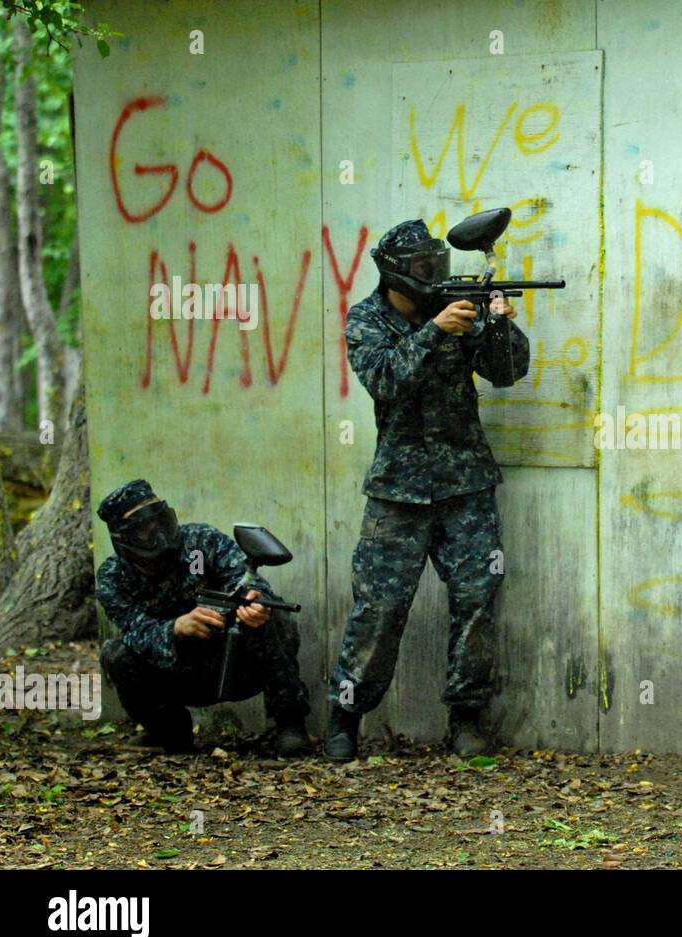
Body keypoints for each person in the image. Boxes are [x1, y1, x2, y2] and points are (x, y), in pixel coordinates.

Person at [326, 217, 528, 761]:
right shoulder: (366, 319)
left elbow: (506, 372)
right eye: (422, 270)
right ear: (394, 274)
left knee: (476, 601)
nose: (432, 276)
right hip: (398, 492)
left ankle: (465, 718)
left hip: (466, 485)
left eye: (436, 266)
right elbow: (386, 380)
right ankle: (345, 716)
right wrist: (437, 329)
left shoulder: (461, 310)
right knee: (380, 608)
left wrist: (500, 323)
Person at [94, 479, 310, 755]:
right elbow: (136, 631)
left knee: (273, 614)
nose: (158, 535)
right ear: (123, 537)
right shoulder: (113, 577)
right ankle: (169, 731)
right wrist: (175, 628)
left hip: (232, 663)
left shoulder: (200, 541)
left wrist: (254, 601)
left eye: (160, 523)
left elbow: (242, 576)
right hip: (177, 673)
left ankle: (290, 724)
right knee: (115, 654)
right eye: (145, 531)